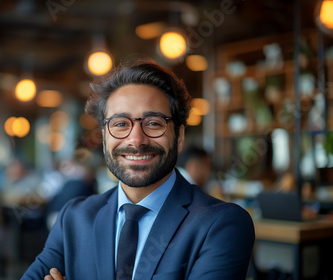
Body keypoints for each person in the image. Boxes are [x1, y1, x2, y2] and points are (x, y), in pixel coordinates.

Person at [21, 59, 255, 280]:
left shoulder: (221, 225)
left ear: (179, 136)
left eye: (153, 123)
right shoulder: (74, 219)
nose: (136, 139)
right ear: (104, 138)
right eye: (121, 124)